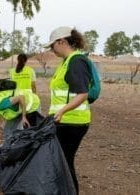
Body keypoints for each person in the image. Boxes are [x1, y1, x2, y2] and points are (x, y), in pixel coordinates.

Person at [44, 26, 92, 194]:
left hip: (71, 123)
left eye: (52, 46)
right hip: (64, 121)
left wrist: (62, 110)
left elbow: (83, 94)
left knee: (64, 163)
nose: (51, 50)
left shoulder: (76, 61)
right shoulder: (66, 62)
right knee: (62, 162)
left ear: (61, 41)